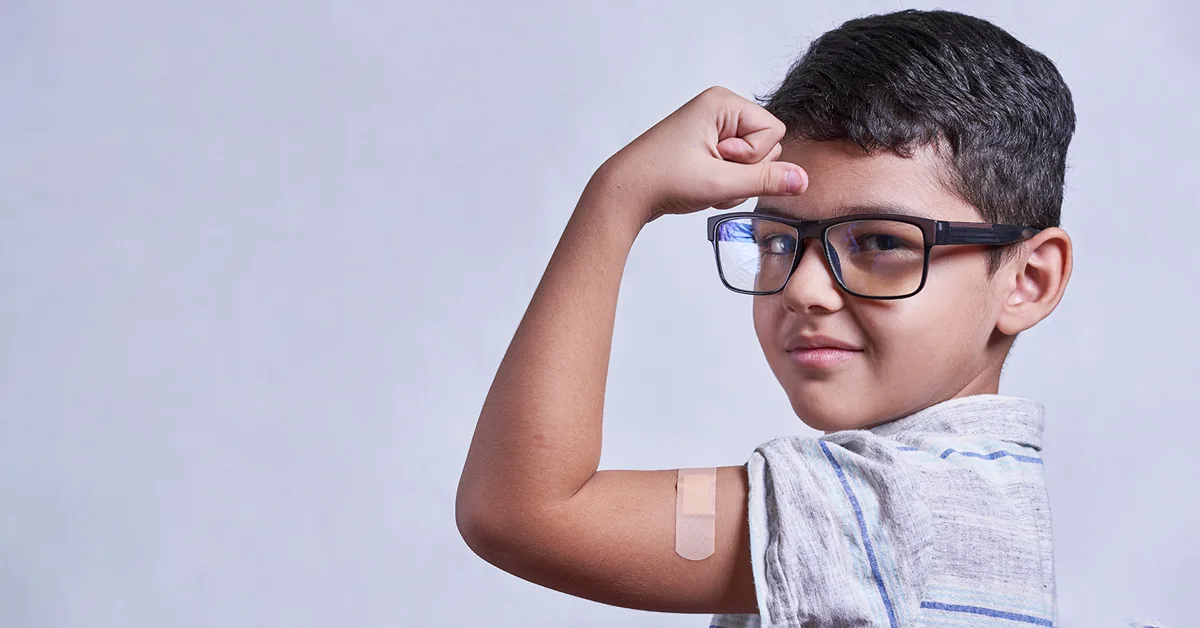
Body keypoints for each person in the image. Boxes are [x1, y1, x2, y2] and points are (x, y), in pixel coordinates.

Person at [457, 9, 1080, 626]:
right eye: (777, 241)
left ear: (1027, 280)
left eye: (882, 242)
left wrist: (620, 194)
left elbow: (518, 512)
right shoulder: (968, 499)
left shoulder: (895, 509)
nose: (804, 288)